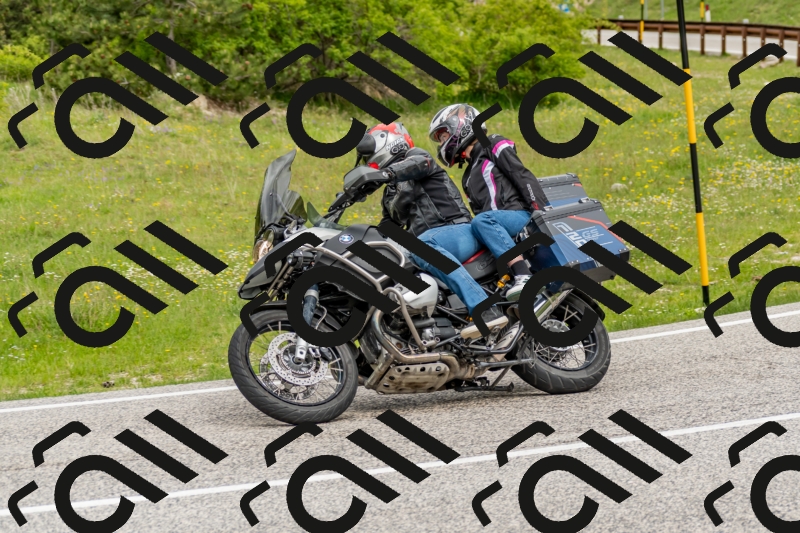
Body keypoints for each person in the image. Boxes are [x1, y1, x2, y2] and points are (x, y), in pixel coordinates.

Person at [355, 122, 508, 337]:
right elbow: (387, 228)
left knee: (422, 246)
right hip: (432, 243)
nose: (367, 160)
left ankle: (485, 309)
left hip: (459, 231)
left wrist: (387, 173)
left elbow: (419, 164)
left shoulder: (416, 157)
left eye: (368, 153)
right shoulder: (390, 192)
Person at [428, 104, 546, 301]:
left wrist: (540, 211)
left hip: (520, 216)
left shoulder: (493, 143)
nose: (442, 144)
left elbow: (521, 175)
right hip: (495, 227)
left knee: (482, 221)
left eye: (443, 136)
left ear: (460, 125)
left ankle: (523, 275)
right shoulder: (467, 177)